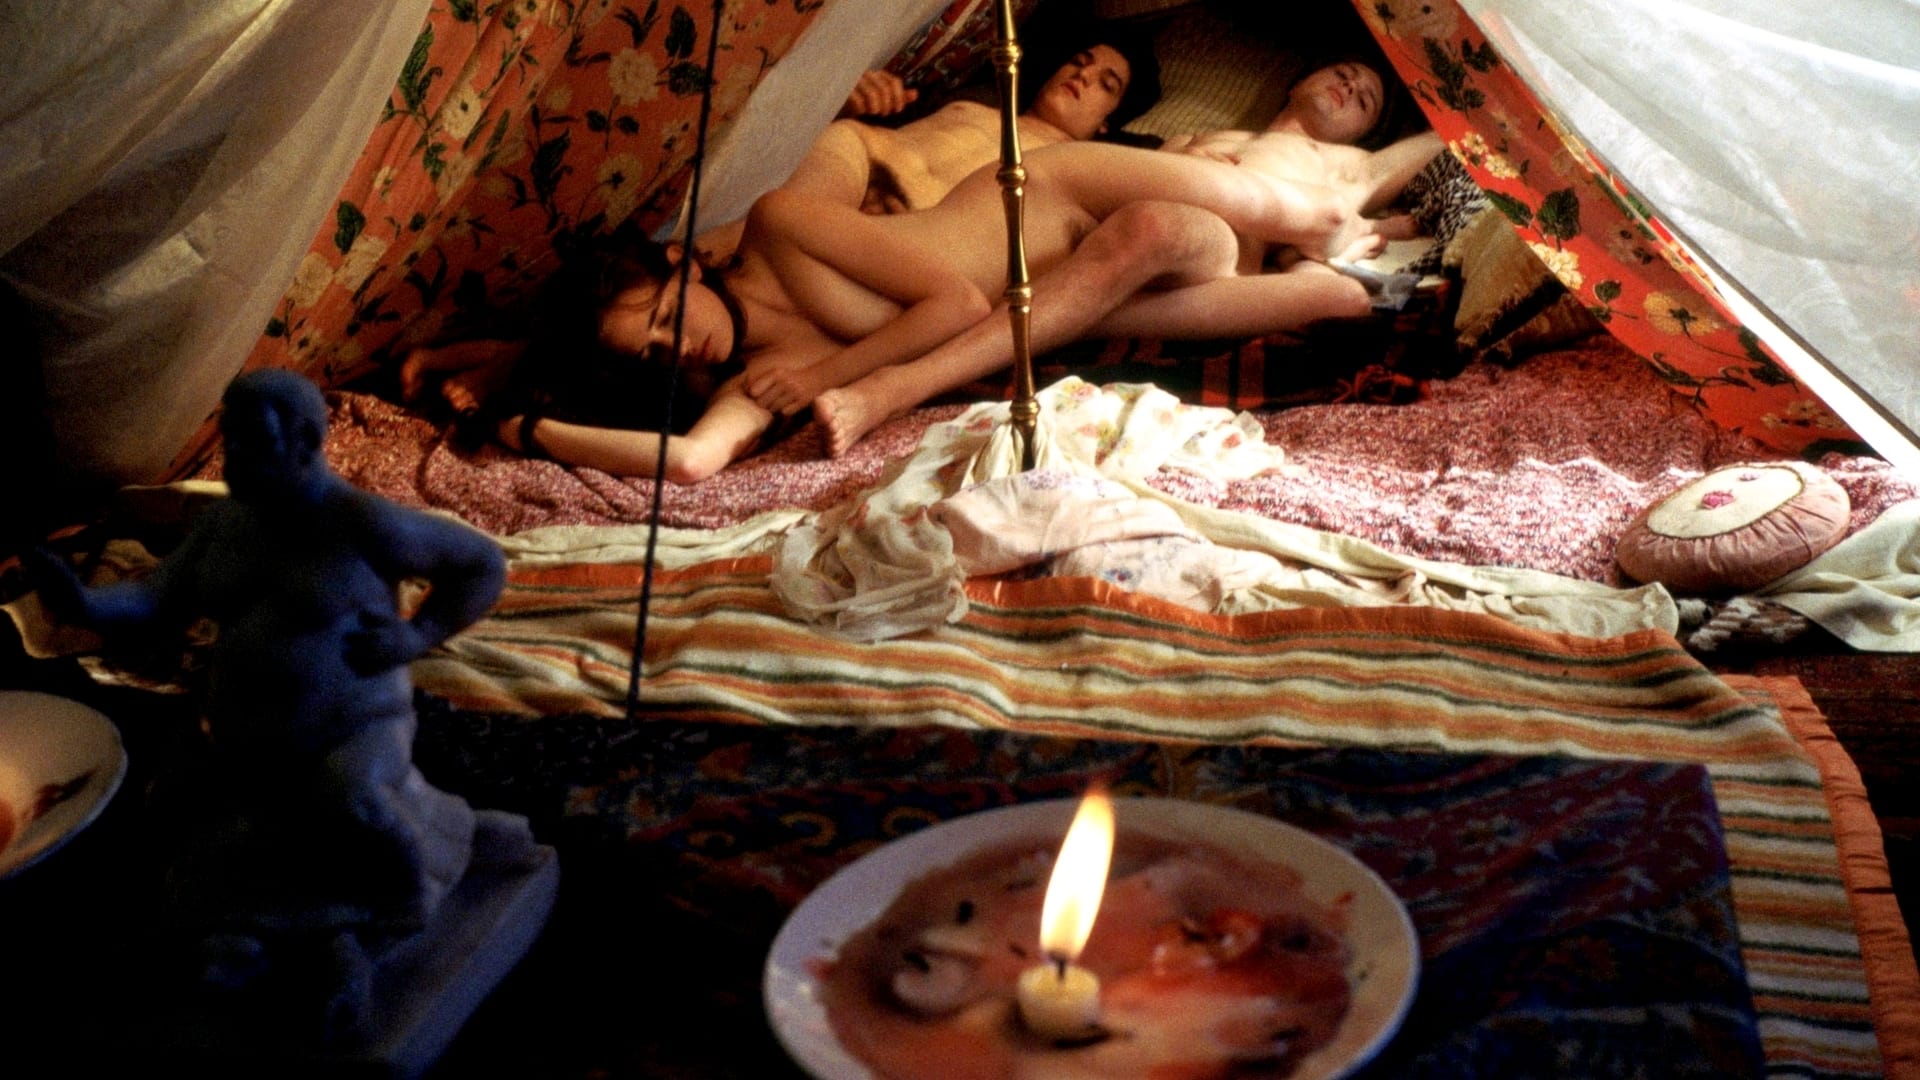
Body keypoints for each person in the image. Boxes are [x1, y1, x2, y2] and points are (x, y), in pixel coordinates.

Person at [26, 369, 521, 1028]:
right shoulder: (224, 525)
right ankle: (261, 935)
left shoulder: (361, 521)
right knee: (185, 806)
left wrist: (417, 635)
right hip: (249, 735)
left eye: (253, 441)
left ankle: (390, 913)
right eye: (230, 438)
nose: (234, 456)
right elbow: (153, 598)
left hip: (355, 725)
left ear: (305, 441)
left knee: (352, 801)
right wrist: (84, 603)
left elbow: (480, 563)